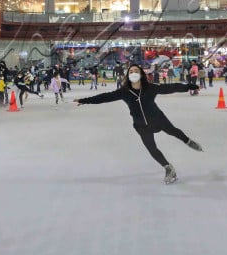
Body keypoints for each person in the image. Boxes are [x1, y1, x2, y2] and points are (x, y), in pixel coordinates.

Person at [74, 64, 202, 184]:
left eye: (136, 71)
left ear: (141, 74)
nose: (133, 73)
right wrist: (85, 101)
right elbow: (104, 97)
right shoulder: (124, 92)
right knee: (152, 148)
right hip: (141, 125)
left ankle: (188, 141)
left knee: (173, 131)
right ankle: (168, 168)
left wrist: (191, 86)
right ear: (128, 75)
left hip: (158, 118)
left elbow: (171, 87)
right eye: (131, 71)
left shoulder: (151, 88)